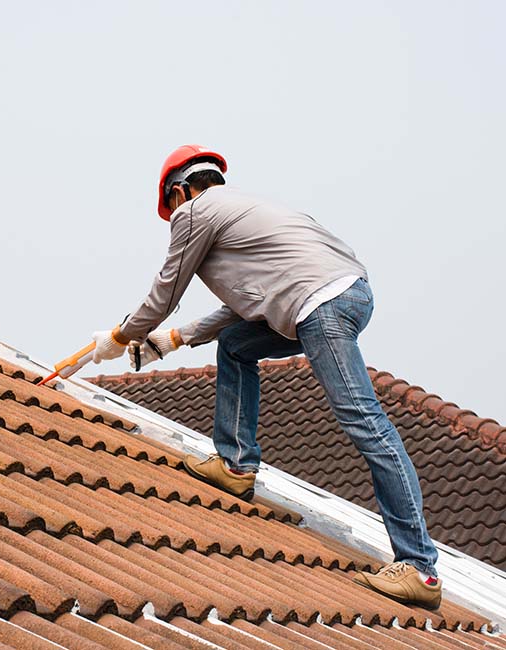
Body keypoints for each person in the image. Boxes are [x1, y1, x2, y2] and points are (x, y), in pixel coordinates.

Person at [90, 144, 442, 609]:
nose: (174, 217)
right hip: (347, 295)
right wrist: (171, 341)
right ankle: (236, 464)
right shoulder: (249, 211)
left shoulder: (195, 212)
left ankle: (419, 567)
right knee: (236, 345)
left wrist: (121, 335)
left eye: (172, 206)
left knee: (365, 421)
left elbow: (166, 291)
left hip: (319, 306)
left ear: (180, 191)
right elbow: (240, 307)